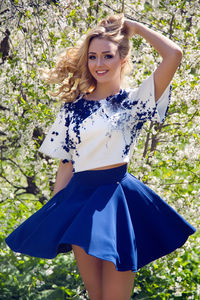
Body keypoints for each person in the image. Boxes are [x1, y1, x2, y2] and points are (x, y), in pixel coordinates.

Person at [6, 14, 196, 300]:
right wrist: (57, 214)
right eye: (92, 57)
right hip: (80, 203)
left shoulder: (135, 101)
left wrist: (136, 27)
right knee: (96, 297)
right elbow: (66, 163)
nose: (99, 64)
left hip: (118, 201)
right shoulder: (71, 109)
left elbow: (174, 54)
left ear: (122, 58)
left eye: (107, 56)